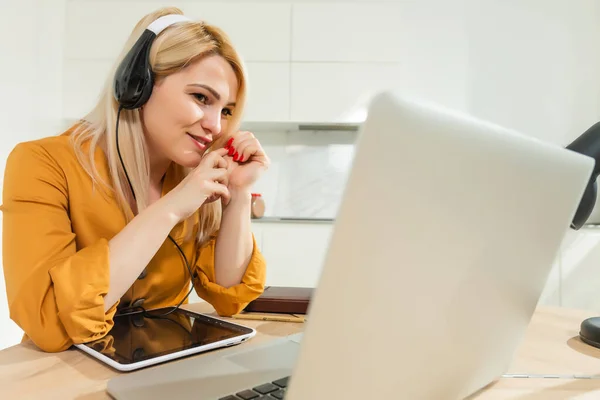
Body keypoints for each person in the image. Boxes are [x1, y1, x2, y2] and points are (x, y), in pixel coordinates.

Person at [1, 7, 270, 352]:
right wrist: (171, 209)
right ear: (137, 85)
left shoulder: (194, 176)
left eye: (226, 110)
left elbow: (230, 294)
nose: (216, 126)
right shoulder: (42, 163)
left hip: (164, 370)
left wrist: (240, 193)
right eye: (201, 98)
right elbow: (48, 324)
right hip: (67, 374)